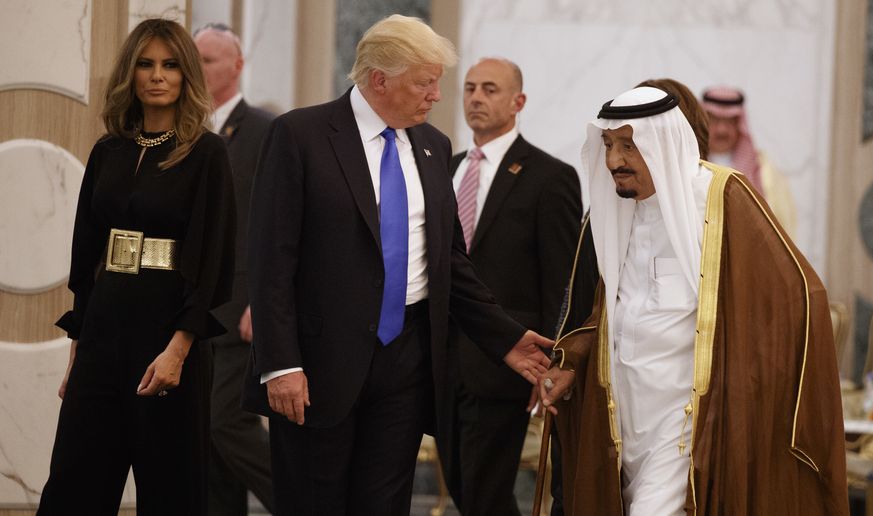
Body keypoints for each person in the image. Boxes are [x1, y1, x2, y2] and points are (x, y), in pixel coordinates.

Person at [241, 14, 553, 516]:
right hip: (317, 365)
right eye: (424, 83)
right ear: (378, 79)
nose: (435, 96)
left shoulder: (433, 146)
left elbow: (450, 263)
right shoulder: (299, 135)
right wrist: (281, 364)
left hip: (407, 362)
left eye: (437, 83)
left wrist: (505, 338)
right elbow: (270, 260)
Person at [540, 86, 847, 515]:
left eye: (629, 146)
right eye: (609, 145)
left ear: (661, 141)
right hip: (622, 417)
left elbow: (800, 292)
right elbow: (605, 311)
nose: (614, 161)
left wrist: (748, 378)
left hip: (686, 418)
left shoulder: (722, 198)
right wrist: (571, 358)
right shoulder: (613, 205)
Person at [39, 18, 235, 516]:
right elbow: (85, 257)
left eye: (170, 65)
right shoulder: (109, 150)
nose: (157, 75)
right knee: (73, 485)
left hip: (168, 338)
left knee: (170, 490)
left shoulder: (207, 153)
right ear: (131, 73)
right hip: (104, 330)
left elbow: (211, 261)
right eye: (146, 64)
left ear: (187, 75)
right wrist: (77, 348)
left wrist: (178, 349)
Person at [436, 57, 582, 516]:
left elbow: (562, 281)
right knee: (464, 489)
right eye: (470, 88)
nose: (477, 97)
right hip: (440, 360)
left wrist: (556, 361)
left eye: (490, 89)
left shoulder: (548, 177)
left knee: (484, 492)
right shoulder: (445, 167)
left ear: (518, 101)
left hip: (505, 363)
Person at [193, 22, 275, 516]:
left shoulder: (266, 130)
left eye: (207, 60)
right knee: (205, 440)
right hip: (191, 311)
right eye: (193, 59)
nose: (196, 69)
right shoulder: (179, 130)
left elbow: (278, 223)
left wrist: (262, 302)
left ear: (237, 66)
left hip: (239, 310)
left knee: (227, 423)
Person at [702, 85, 797, 233]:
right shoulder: (690, 165)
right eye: (714, 120)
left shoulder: (764, 172)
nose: (722, 130)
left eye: (730, 122)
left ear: (740, 125)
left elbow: (781, 228)